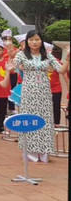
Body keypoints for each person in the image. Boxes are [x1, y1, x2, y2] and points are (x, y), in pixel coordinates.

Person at [4, 30, 69, 163]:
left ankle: (44, 153)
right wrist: (9, 65)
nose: (34, 42)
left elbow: (61, 70)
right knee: (29, 119)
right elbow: (12, 66)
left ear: (41, 41)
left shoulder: (48, 56)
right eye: (31, 39)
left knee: (44, 120)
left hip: (44, 92)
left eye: (37, 39)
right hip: (28, 92)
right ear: (27, 41)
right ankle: (30, 153)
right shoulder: (22, 54)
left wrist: (67, 58)